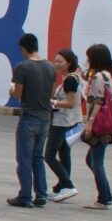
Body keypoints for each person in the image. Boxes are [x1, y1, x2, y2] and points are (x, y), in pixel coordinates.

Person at [6, 32, 55, 208]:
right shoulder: (50, 67)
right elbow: (51, 94)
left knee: (24, 159)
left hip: (29, 117)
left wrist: (11, 90)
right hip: (45, 117)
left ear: (23, 48)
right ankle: (41, 193)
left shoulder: (22, 67)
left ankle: (25, 196)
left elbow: (18, 93)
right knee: (38, 157)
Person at [82, 43, 112, 210]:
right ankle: (107, 194)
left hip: (98, 122)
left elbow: (98, 101)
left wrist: (89, 123)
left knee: (96, 162)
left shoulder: (98, 77)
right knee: (91, 160)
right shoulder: (111, 76)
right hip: (108, 122)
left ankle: (103, 198)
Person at [45, 48, 80, 201]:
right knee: (64, 154)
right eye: (55, 61)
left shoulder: (70, 80)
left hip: (62, 123)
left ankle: (68, 184)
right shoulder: (70, 78)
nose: (56, 64)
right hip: (71, 122)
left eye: (60, 61)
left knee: (49, 156)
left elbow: (70, 103)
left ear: (69, 63)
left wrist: (53, 103)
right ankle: (61, 187)